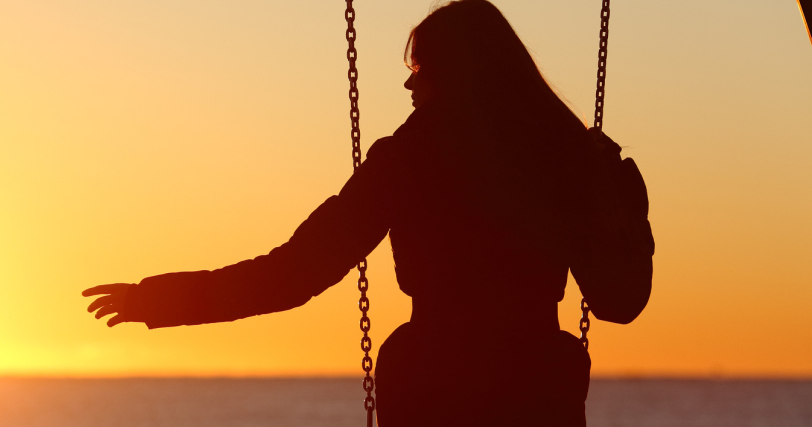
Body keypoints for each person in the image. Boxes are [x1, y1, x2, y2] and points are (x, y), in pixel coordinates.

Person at [83, 1, 650, 425]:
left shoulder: (409, 158)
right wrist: (622, 198)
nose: (409, 81)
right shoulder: (567, 156)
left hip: (435, 390)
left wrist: (156, 299)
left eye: (421, 67)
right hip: (535, 392)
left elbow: (292, 274)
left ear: (455, 73)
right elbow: (620, 302)